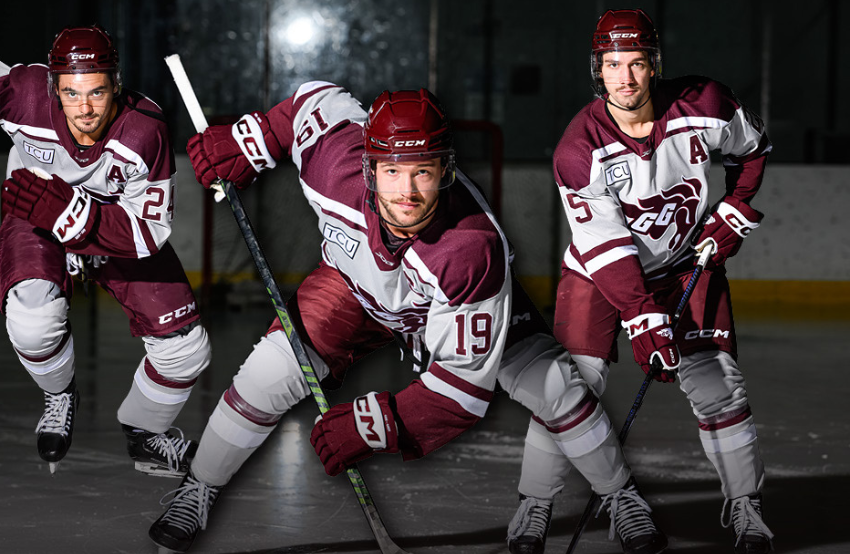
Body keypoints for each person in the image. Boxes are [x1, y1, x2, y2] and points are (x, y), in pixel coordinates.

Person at [146, 83, 667, 554]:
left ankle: (619, 495)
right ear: (369, 167)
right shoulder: (334, 162)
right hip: (353, 291)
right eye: (392, 170)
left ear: (447, 169)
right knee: (265, 378)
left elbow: (463, 391)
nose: (408, 191)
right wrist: (253, 137)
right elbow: (313, 100)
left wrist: (381, 424)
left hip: (452, 306)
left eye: (423, 170)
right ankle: (198, 489)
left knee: (558, 388)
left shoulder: (470, 250)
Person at [0, 25, 211, 478]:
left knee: (187, 351)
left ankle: (145, 432)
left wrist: (75, 216)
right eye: (71, 93)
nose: (86, 110)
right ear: (52, 87)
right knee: (32, 324)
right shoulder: (22, 94)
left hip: (116, 221)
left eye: (97, 92)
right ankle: (60, 393)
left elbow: (149, 231)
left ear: (117, 84)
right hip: (32, 205)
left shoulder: (145, 130)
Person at [543, 8, 774, 554]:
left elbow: (753, 150)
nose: (625, 76)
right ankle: (537, 503)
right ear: (596, 68)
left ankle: (747, 507)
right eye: (613, 63)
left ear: (655, 66)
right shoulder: (579, 149)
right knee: (569, 389)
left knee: (719, 388)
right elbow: (606, 245)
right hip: (602, 273)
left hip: (684, 264)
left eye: (637, 63)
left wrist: (735, 206)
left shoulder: (707, 104)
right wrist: (642, 315)